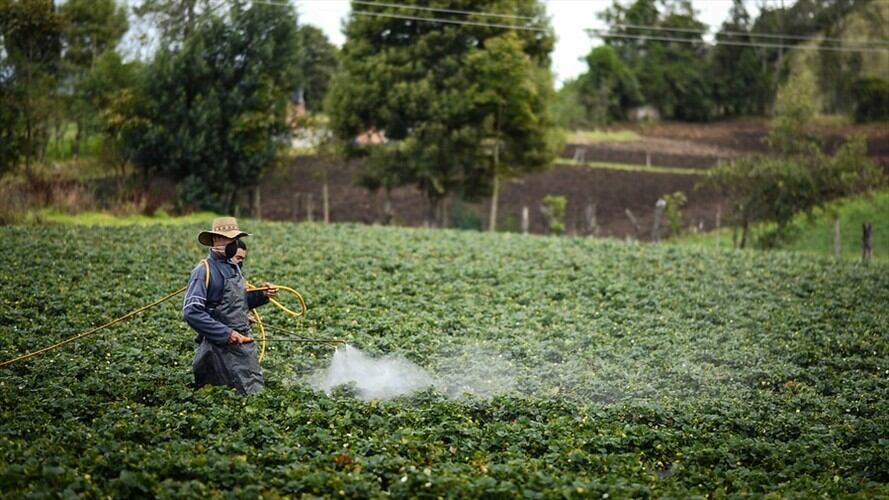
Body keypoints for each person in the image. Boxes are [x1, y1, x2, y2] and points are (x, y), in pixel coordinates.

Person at [182, 217, 277, 394]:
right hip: (217, 350)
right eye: (229, 239)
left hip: (242, 346)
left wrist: (262, 295)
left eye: (234, 239)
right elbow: (191, 312)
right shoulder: (203, 271)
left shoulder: (234, 267)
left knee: (253, 395)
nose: (233, 244)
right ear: (215, 240)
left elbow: (237, 302)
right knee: (224, 397)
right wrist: (227, 334)